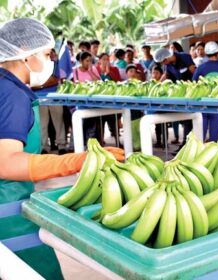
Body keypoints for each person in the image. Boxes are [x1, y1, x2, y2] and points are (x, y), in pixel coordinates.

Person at [0, 18, 123, 279]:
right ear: (25, 52)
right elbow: (7, 163)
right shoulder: (12, 94)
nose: (50, 61)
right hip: (5, 213)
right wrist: (78, 161)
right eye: (46, 54)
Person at [154, 47, 196, 147]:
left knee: (190, 119)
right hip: (180, 94)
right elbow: (166, 76)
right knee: (186, 120)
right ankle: (185, 144)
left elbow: (194, 73)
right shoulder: (167, 65)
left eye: (163, 61)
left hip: (191, 93)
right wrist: (157, 85)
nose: (163, 64)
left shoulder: (184, 57)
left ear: (167, 57)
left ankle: (188, 145)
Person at [193, 41, 218, 142]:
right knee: (214, 139)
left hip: (203, 105)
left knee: (200, 138)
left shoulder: (200, 68)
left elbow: (193, 83)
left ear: (205, 53)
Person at [34, 49, 67, 155]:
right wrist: (39, 84)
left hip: (54, 96)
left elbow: (55, 79)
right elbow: (31, 81)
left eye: (51, 53)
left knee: (58, 122)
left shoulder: (55, 64)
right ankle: (44, 147)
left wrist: (40, 84)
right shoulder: (36, 64)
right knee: (42, 124)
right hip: (40, 98)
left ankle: (61, 145)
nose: (51, 54)